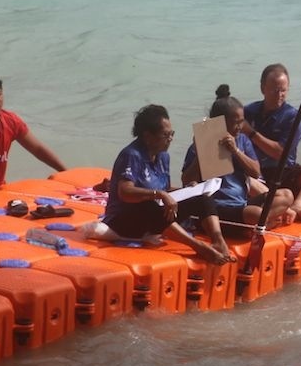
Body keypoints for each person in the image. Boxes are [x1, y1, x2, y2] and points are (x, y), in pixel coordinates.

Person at [100, 104, 234, 265]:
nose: (170, 139)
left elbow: (166, 189)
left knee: (202, 198)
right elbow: (125, 192)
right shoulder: (131, 155)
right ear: (148, 136)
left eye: (171, 134)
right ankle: (197, 246)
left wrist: (188, 190)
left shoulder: (163, 157)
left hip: (154, 215)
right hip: (124, 220)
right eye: (166, 135)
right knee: (149, 204)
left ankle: (218, 241)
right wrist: (160, 194)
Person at [182, 85, 295, 235]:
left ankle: (253, 226)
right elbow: (186, 181)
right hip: (218, 207)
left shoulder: (242, 140)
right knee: (256, 214)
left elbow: (255, 172)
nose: (239, 127)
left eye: (242, 122)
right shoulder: (199, 145)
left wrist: (235, 151)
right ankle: (259, 224)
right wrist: (202, 153)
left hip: (241, 202)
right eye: (235, 123)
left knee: (286, 195)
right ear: (220, 123)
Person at [242, 64, 301, 221]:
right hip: (257, 175)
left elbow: (280, 153)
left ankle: (297, 204)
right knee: (239, 176)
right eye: (275, 90)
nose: (279, 95)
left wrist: (251, 132)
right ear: (263, 88)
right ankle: (279, 207)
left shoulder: (292, 117)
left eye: (283, 90)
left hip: (284, 171)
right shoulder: (248, 111)